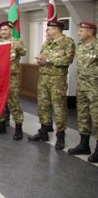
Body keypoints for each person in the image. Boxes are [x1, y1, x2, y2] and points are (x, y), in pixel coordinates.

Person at [29, 20, 75, 150]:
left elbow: (68, 59)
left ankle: (60, 135)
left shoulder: (68, 42)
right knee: (43, 105)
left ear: (57, 29)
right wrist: (40, 60)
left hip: (57, 80)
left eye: (49, 28)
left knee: (58, 107)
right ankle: (44, 131)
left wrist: (49, 59)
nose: (47, 30)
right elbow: (42, 57)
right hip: (43, 77)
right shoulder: (47, 42)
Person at [0, 21, 27, 139]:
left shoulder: (17, 41)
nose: (3, 32)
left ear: (11, 30)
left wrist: (18, 47)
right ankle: (1, 124)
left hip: (11, 77)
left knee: (14, 102)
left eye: (5, 30)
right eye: (1, 30)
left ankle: (18, 127)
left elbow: (24, 52)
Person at [68, 22, 97, 162]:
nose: (78, 33)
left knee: (97, 118)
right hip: (82, 88)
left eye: (81, 30)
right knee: (83, 116)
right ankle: (84, 144)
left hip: (95, 89)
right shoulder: (80, 47)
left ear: (90, 32)